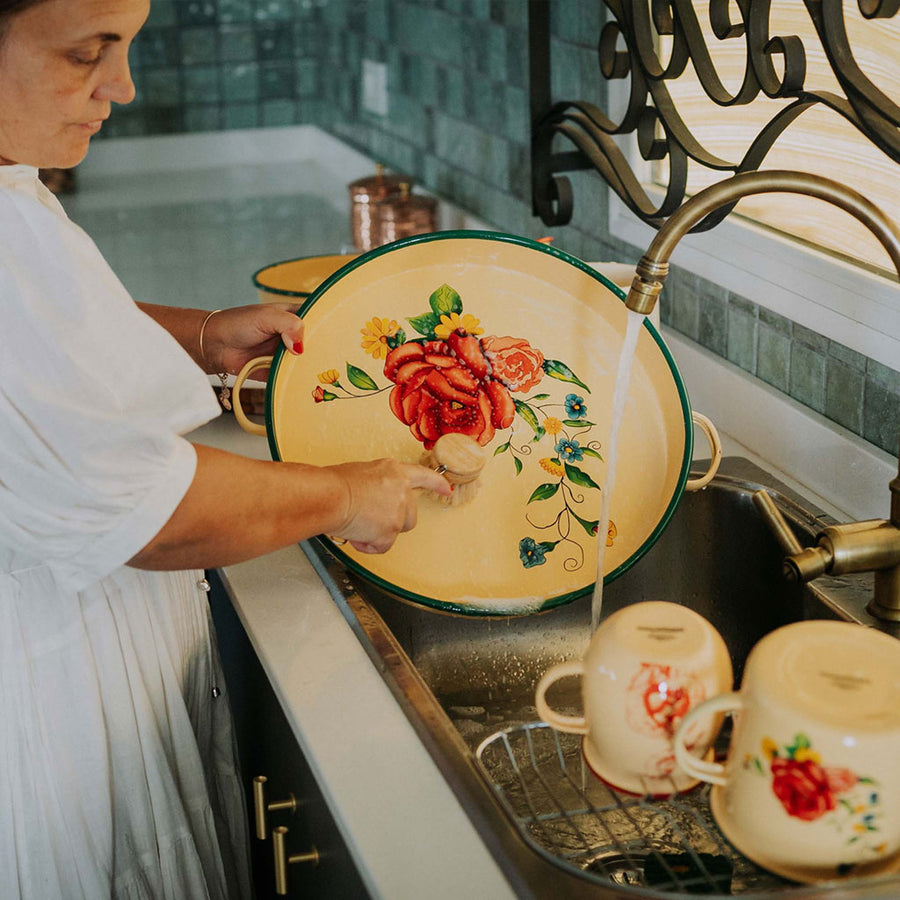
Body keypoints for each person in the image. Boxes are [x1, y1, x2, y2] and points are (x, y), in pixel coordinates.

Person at [0, 1, 452, 898]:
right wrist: (345, 493)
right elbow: (151, 516)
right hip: (50, 721)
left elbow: (49, 346)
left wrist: (202, 335)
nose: (121, 87)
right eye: (87, 53)